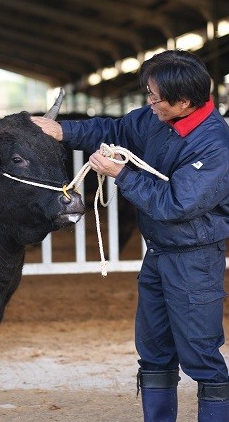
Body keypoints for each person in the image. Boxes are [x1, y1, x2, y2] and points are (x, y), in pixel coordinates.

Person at [32, 49, 229, 421]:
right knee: (153, 349)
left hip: (194, 259)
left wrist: (122, 175)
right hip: (158, 253)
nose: (149, 103)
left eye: (155, 97)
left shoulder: (215, 145)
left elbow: (175, 205)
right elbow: (115, 129)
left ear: (184, 101)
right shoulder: (157, 119)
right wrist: (62, 131)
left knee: (200, 354)